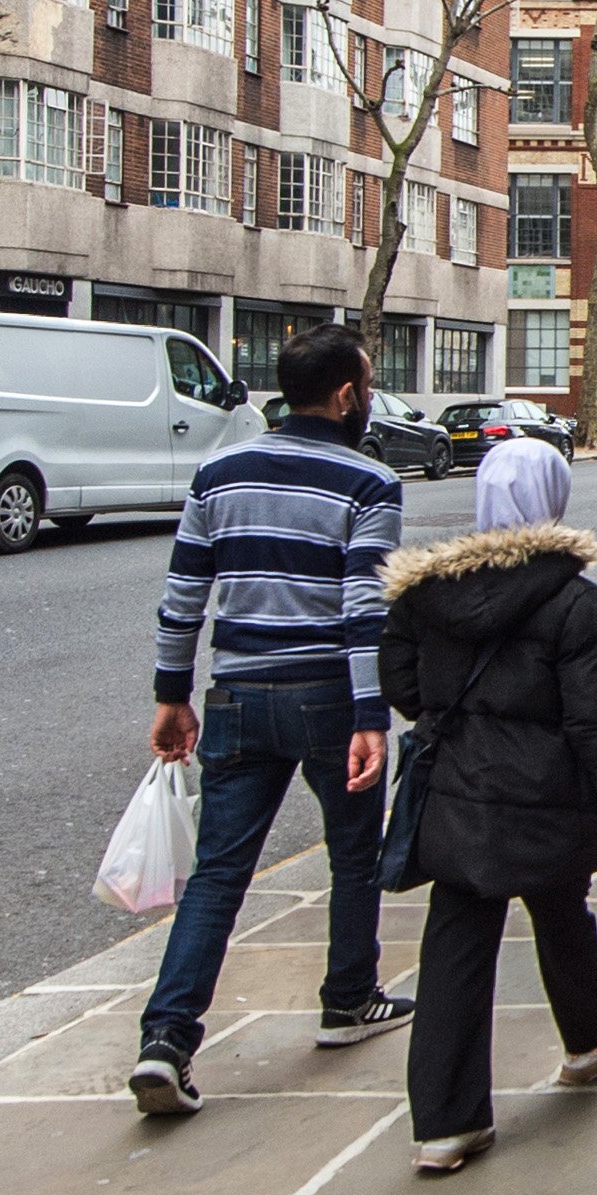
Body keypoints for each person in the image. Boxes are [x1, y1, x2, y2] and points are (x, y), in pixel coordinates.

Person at [128, 325, 415, 1117]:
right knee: (354, 856)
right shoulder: (368, 482)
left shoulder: (218, 472)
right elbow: (364, 609)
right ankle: (348, 999)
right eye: (366, 380)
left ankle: (166, 1039)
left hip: (237, 695)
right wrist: (370, 713)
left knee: (218, 873)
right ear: (348, 394)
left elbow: (182, 596)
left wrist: (170, 693)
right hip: (328, 695)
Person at [379, 437, 597, 1173]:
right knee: (559, 907)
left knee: (456, 943)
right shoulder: (573, 599)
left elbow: (402, 684)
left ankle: (445, 1122)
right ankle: (595, 1039)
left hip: (458, 786)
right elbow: (589, 717)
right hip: (544, 790)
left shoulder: (424, 591)